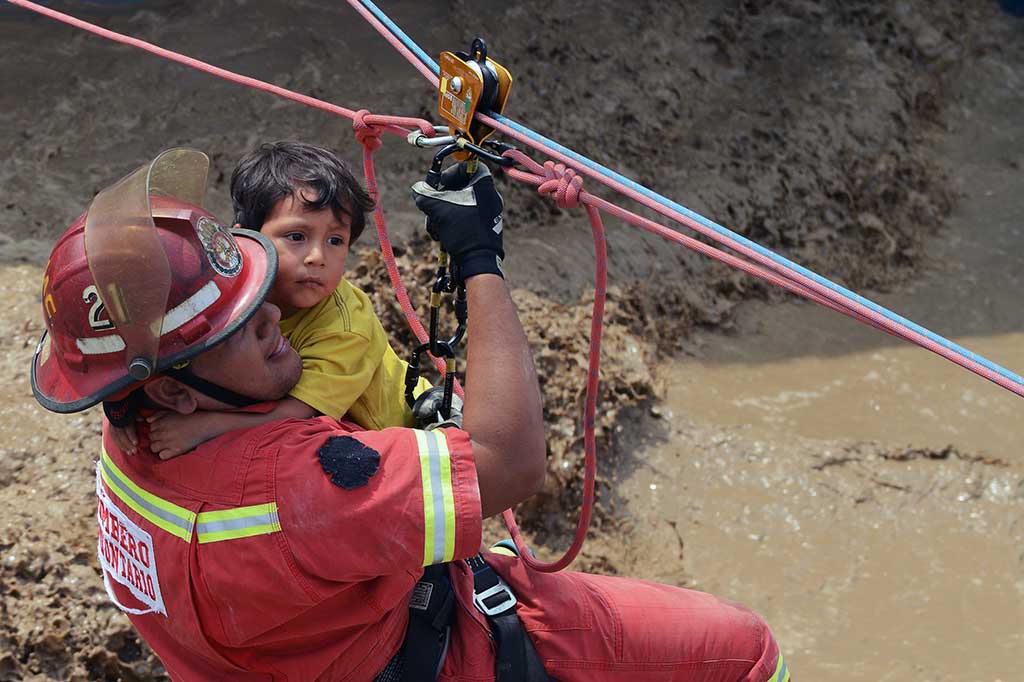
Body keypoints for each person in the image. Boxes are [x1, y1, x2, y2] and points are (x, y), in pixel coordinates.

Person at [32, 147, 790, 682]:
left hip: (269, 651)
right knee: (745, 648)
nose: (268, 316)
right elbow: (515, 459)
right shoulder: (301, 486)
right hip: (422, 652)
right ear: (170, 388)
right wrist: (477, 260)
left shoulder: (131, 427)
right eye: (238, 327)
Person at [112, 141, 433, 459]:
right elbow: (167, 328)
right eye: (297, 237)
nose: (318, 257)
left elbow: (301, 413)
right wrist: (121, 404)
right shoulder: (231, 282)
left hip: (403, 428)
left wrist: (205, 425)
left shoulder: (345, 326)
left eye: (336, 241)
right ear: (245, 238)